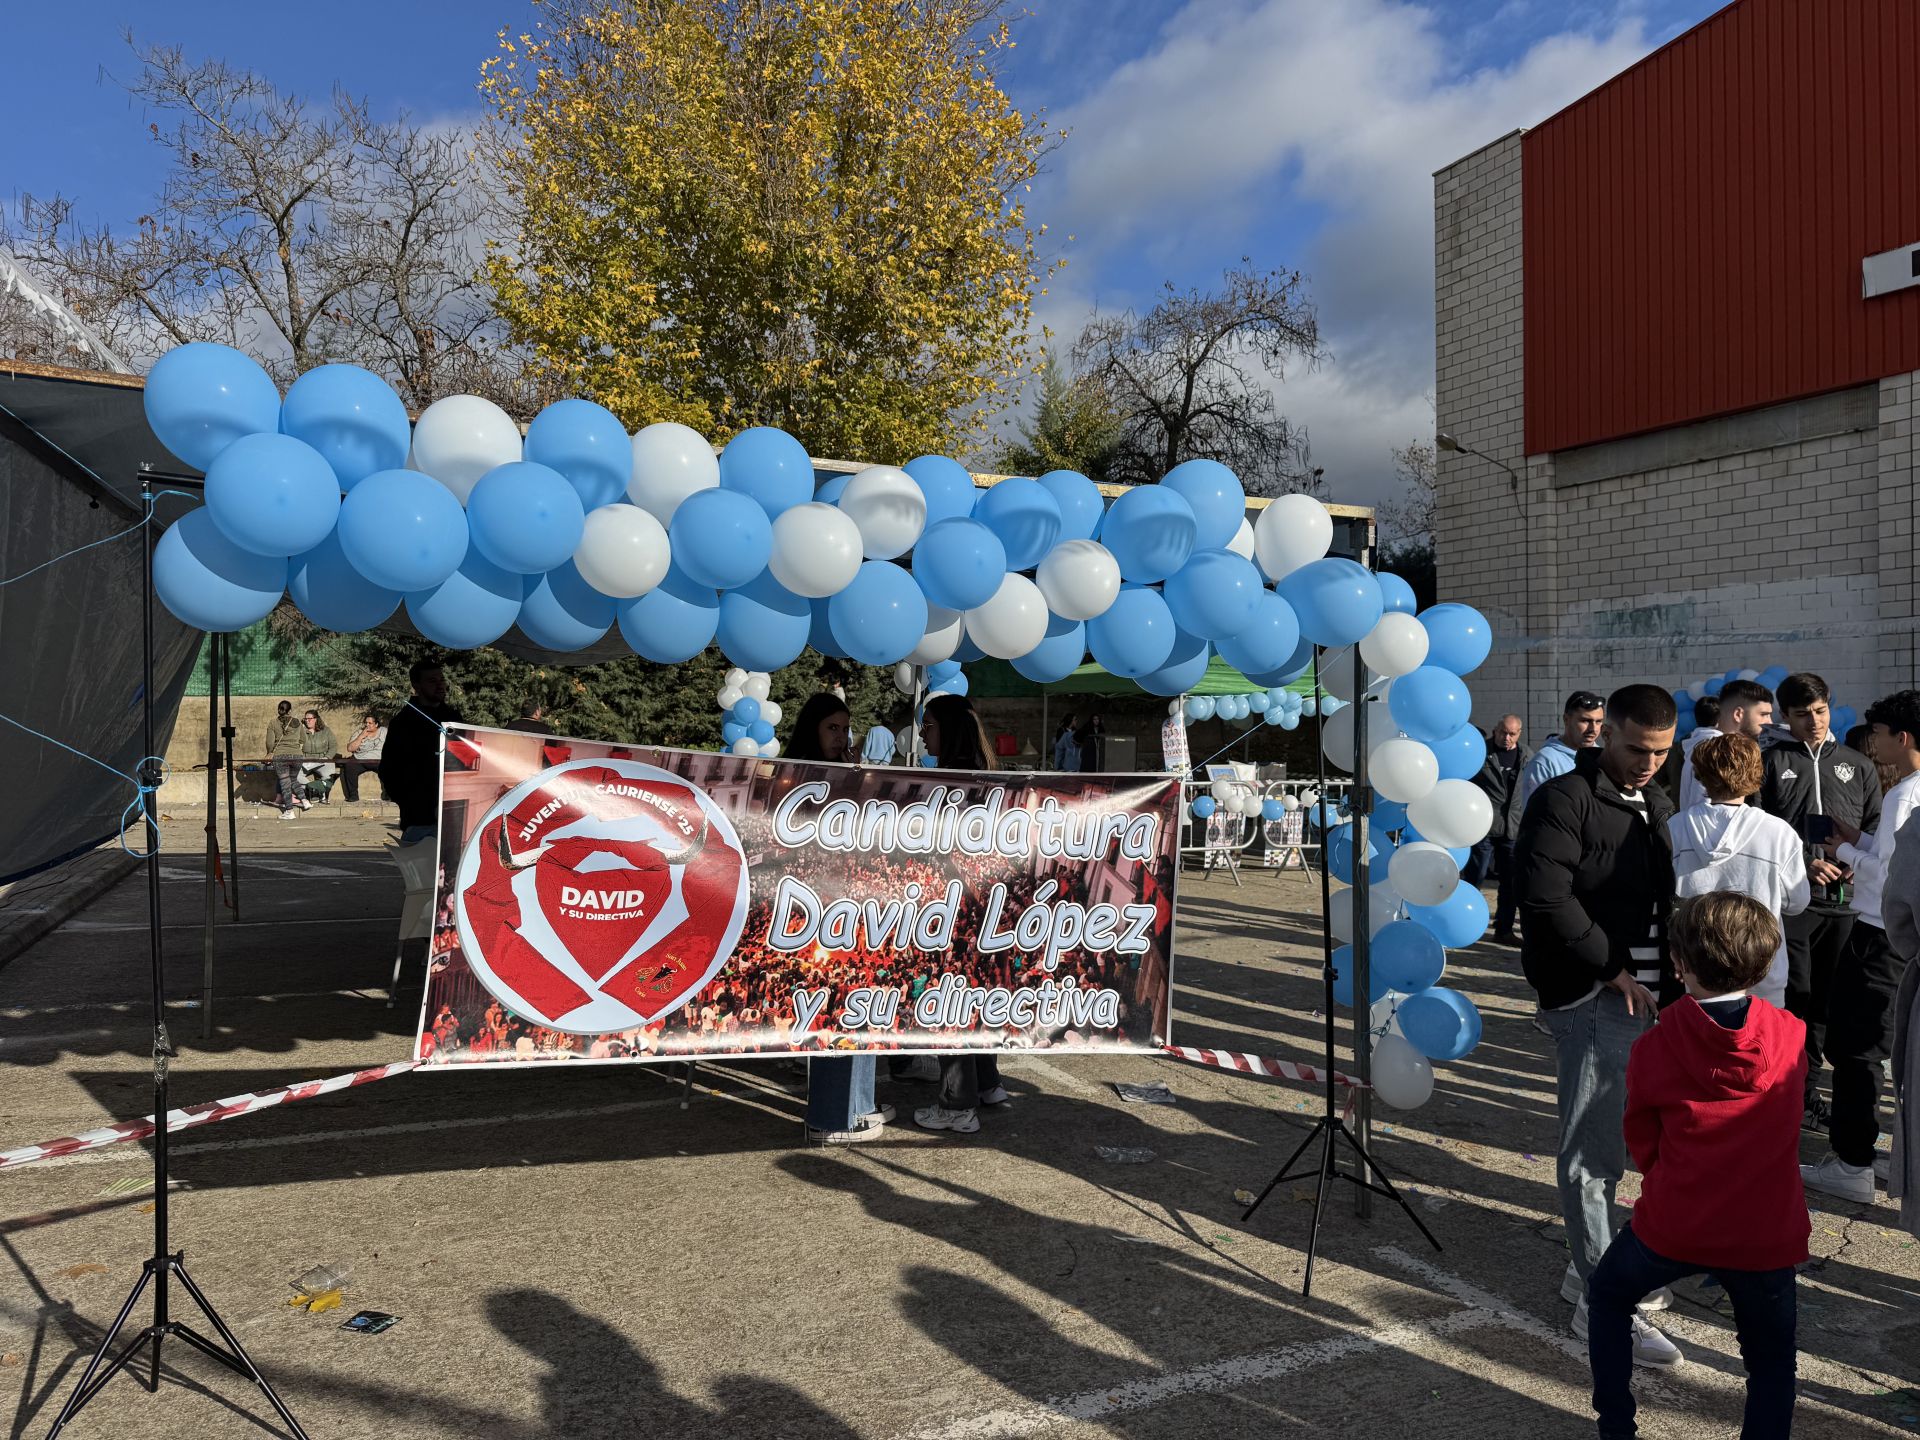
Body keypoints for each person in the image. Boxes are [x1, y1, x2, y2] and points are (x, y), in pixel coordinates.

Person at [1583, 891, 1807, 1436]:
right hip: (1765, 1230)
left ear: (1679, 966)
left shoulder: (1656, 1045)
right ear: (1764, 963)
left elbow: (1643, 1141)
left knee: (1608, 1295)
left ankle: (1616, 1425)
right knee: (1771, 1361)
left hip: (1677, 1222)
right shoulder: (1792, 1035)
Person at [1513, 684, 1681, 1362]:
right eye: (1637, 749)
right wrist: (1611, 968)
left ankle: (1586, 1266)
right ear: (1603, 733)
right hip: (1592, 996)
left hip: (1645, 998)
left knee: (1622, 1142)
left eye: (1662, 753)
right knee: (1592, 1155)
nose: (1648, 763)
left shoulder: (1658, 802)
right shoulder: (1564, 798)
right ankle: (1601, 1302)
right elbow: (1545, 897)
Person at [1801, 689, 1920, 1202]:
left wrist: (1844, 848)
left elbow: (1893, 879)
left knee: (1857, 1048)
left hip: (1880, 936)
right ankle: (1868, 1152)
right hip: (1896, 940)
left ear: (1903, 737)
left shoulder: (1905, 793)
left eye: (1878, 733)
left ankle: (1852, 1161)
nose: (1872, 743)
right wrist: (1859, 838)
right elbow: (1894, 856)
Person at [1759, 672, 1881, 1129]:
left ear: (1830, 705)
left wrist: (1855, 860)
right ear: (1785, 716)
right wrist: (1802, 863)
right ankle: (1800, 1096)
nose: (1813, 721)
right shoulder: (1771, 763)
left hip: (1847, 905)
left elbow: (1873, 824)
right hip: (1795, 905)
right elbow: (1761, 828)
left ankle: (1815, 1089)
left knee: (1829, 1004)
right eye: (1802, 714)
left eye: (1820, 710)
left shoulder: (1858, 764)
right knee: (1795, 1001)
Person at [783, 692, 894, 1144]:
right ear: (811, 728)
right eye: (832, 728)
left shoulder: (842, 773)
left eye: (845, 728)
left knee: (859, 1006)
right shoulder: (795, 778)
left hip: (850, 909)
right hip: (817, 916)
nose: (840, 737)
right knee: (834, 1010)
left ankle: (859, 1104)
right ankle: (831, 1118)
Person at [913, 692, 1012, 1135]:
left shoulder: (951, 787)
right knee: (975, 998)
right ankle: (988, 1084)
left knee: (951, 1002)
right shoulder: (990, 779)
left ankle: (957, 1106)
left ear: (949, 730)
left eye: (929, 725)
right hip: (983, 911)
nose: (921, 733)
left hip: (955, 912)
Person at [1667, 733, 1807, 1008]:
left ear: (1700, 775)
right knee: (1760, 1045)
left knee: (1700, 1044)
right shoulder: (1778, 833)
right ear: (1756, 773)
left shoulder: (1676, 827)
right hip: (1762, 966)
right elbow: (1796, 902)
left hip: (1697, 965)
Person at [379, 660, 463, 844]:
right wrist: (412, 803)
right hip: (420, 819)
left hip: (455, 817)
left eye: (441, 679)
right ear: (417, 685)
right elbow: (389, 770)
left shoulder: (454, 717)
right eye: (432, 681)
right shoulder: (404, 722)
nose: (440, 685)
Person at [1466, 714, 1529, 944]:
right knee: (1476, 877)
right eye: (1503, 732)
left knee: (1510, 882)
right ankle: (1465, 925)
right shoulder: (1479, 752)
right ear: (1495, 730)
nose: (1507, 738)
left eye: (1512, 733)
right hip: (1483, 826)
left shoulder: (1526, 756)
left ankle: (1504, 930)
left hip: (1512, 829)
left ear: (1519, 733)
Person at [1675, 680, 1773, 813]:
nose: (1770, 722)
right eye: (1763, 714)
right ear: (1738, 714)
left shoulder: (1709, 745)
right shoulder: (1715, 751)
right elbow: (1708, 813)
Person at [1519, 690, 1606, 809]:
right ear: (1566, 720)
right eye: (1586, 720)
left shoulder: (1602, 757)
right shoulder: (1545, 762)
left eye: (1598, 721)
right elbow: (1538, 817)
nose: (1594, 729)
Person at [264, 700, 308, 818]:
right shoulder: (298, 722)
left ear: (278, 709)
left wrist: (269, 752)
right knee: (293, 780)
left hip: (281, 756)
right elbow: (304, 740)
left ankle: (289, 811)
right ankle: (304, 801)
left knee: (285, 783)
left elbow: (269, 742)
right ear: (290, 710)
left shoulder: (273, 722)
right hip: (297, 756)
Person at [339, 713, 387, 803]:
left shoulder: (384, 731)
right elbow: (350, 748)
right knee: (349, 765)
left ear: (376, 724)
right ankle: (353, 795)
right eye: (366, 723)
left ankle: (389, 794)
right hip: (360, 760)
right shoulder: (359, 733)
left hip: (378, 760)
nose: (367, 725)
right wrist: (361, 737)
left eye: (370, 723)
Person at [298, 708, 338, 801]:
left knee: (330, 776)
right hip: (306, 760)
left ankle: (315, 791)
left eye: (309, 719)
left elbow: (333, 746)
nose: (307, 721)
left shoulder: (326, 731)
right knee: (294, 775)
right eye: (305, 719)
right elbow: (296, 747)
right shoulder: (301, 731)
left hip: (323, 759)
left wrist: (327, 757)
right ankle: (313, 789)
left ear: (316, 719)